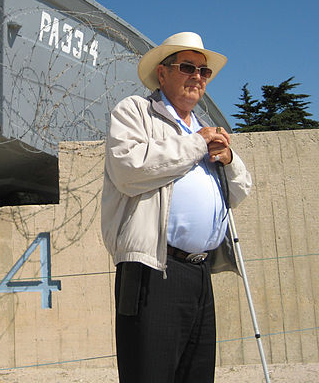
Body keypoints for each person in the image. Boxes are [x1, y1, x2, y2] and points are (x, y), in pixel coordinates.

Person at [101, 31, 252, 382]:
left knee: (196, 374)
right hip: (154, 268)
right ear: (163, 72)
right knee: (150, 373)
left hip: (200, 272)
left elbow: (241, 191)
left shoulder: (204, 127)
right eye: (188, 67)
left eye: (204, 72)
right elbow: (129, 170)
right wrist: (196, 145)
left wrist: (228, 160)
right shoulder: (137, 112)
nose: (197, 77)